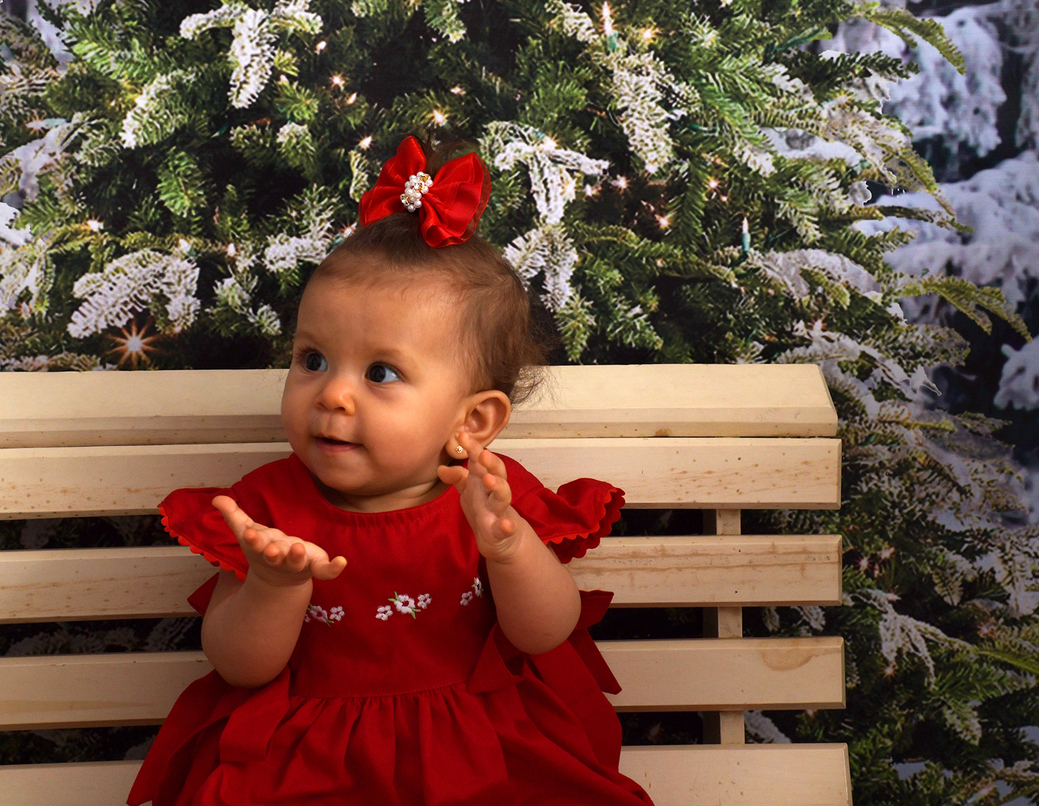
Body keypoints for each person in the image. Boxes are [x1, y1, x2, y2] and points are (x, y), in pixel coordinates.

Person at [128, 135, 653, 806]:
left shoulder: (488, 501)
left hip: (476, 747)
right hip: (311, 759)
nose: (332, 395)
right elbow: (238, 666)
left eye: (380, 373)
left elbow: (545, 633)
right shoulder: (270, 508)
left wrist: (512, 551)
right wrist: (273, 586)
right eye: (313, 360)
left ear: (472, 422)